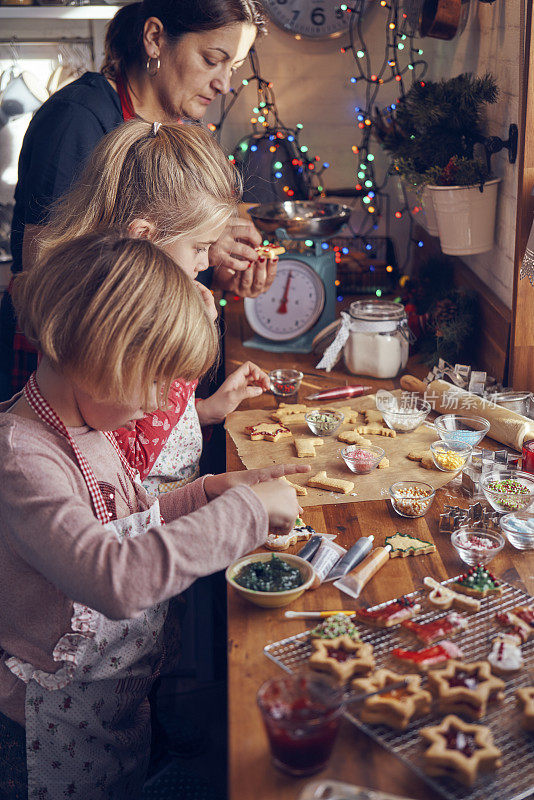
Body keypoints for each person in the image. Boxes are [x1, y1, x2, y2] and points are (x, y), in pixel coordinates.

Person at [0, 231, 307, 799]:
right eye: (158, 380)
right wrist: (241, 514)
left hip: (108, 704)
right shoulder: (24, 458)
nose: (163, 403)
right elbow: (109, 573)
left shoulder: (90, 422)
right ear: (99, 358)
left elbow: (131, 520)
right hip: (42, 735)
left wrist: (213, 490)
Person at [1, 0, 274, 398]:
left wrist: (214, 264)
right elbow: (44, 279)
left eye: (231, 68)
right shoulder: (75, 119)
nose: (223, 84)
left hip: (135, 368)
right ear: (154, 38)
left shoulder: (175, 126)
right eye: (212, 59)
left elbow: (155, 244)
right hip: (65, 376)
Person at [36, 119, 277, 490]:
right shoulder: (109, 322)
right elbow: (132, 458)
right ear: (145, 237)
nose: (205, 262)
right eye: (198, 248)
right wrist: (187, 348)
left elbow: (145, 420)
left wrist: (205, 410)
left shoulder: (141, 305)